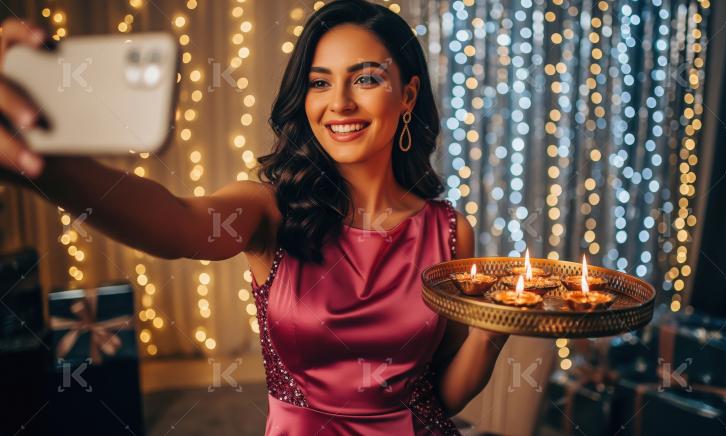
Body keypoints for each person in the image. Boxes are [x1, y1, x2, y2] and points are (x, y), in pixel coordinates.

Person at [0, 1, 508, 434]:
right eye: (319, 83)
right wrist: (39, 164)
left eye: (366, 79)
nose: (339, 103)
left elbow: (438, 396)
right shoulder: (269, 209)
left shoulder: (448, 232)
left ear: (408, 95)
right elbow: (176, 224)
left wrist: (491, 331)